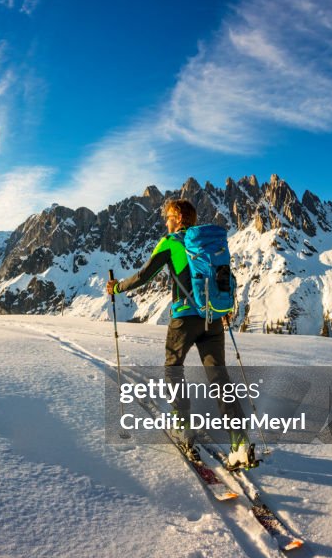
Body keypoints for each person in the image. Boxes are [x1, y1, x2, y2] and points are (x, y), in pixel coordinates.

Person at [106, 197, 257, 469]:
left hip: (184, 319)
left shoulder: (170, 243)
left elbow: (144, 276)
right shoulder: (208, 244)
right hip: (212, 318)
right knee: (218, 376)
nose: (165, 221)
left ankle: (183, 426)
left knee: (173, 367)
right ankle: (240, 442)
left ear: (177, 217)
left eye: (168, 217)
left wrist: (117, 288)